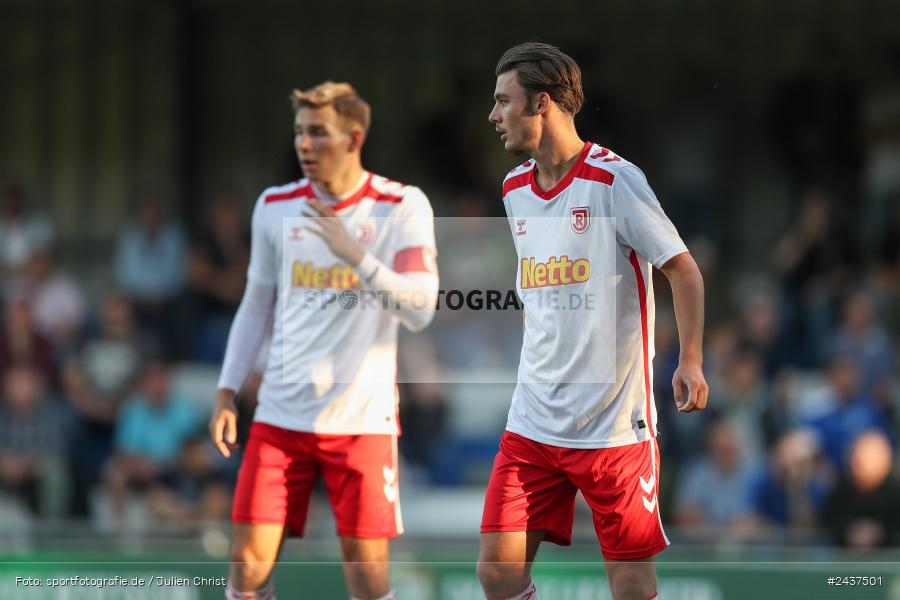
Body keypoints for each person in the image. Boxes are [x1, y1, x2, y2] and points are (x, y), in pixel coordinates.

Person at [480, 43, 708, 600]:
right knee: (497, 573)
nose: (492, 116)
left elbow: (683, 271)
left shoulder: (615, 181)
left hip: (613, 426)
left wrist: (692, 360)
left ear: (543, 103)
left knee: (631, 586)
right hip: (533, 420)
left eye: (503, 101)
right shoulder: (514, 190)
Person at [209, 81, 438, 600]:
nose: (304, 145)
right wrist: (227, 390)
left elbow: (421, 309)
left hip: (361, 421)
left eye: (318, 133)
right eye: (299, 133)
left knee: (366, 579)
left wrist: (354, 254)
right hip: (281, 416)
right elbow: (255, 304)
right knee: (246, 568)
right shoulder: (274, 205)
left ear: (354, 137)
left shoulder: (400, 206)